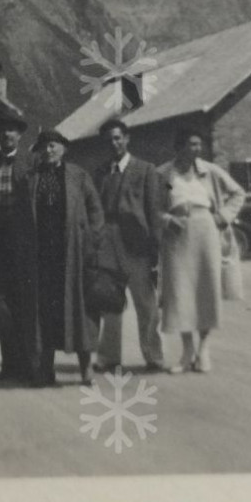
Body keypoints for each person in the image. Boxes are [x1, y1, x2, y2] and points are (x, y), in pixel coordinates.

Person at [156, 128, 246, 374]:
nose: (196, 149)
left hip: (206, 232)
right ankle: (187, 352)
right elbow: (149, 206)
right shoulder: (162, 173)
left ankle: (204, 350)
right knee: (180, 292)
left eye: (199, 145)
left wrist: (223, 216)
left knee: (206, 290)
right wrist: (165, 219)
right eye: (191, 144)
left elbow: (238, 193)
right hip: (177, 236)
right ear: (179, 147)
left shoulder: (210, 171)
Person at [25, 129, 105, 386]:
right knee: (46, 313)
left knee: (79, 310)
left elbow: (95, 211)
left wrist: (91, 241)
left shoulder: (78, 176)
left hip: (73, 254)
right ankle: (46, 370)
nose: (48, 151)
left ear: (63, 148)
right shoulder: (32, 179)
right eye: (44, 147)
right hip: (43, 256)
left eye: (53, 146)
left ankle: (86, 368)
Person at [92, 118, 168, 375]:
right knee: (110, 301)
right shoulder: (101, 172)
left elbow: (154, 211)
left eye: (117, 138)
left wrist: (154, 250)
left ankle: (154, 356)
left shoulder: (145, 170)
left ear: (126, 138)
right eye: (108, 140)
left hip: (137, 245)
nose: (114, 144)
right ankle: (108, 358)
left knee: (146, 304)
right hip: (108, 245)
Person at [0, 113, 35, 384]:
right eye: (2, 132)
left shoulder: (31, 163)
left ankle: (27, 365)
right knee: (1, 302)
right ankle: (9, 364)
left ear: (19, 135)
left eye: (11, 131)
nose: (7, 136)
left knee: (24, 301)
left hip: (22, 240)